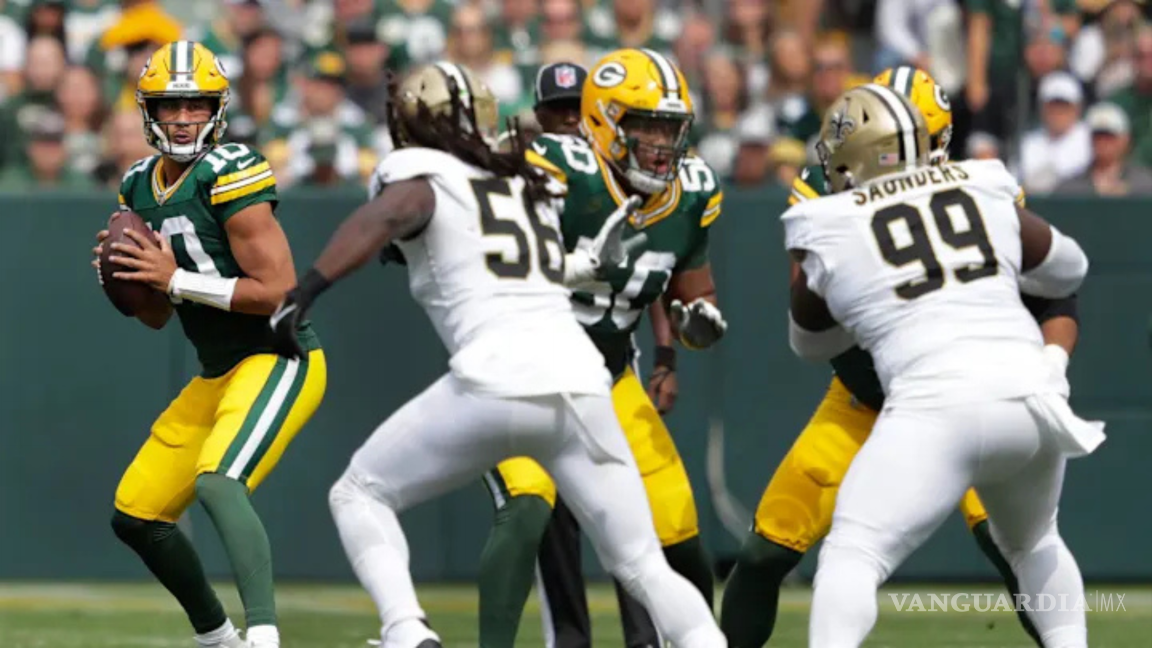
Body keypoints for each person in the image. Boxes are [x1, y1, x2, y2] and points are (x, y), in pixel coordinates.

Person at [266, 60, 726, 648]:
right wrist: (588, 266)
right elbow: (538, 267)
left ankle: (406, 631)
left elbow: (394, 211)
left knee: (360, 492)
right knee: (642, 563)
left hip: (495, 378)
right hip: (582, 382)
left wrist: (305, 291)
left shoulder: (424, 170)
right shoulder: (522, 179)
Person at [719, 66, 1067, 648]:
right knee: (764, 551)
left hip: (960, 392)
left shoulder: (978, 187)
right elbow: (811, 309)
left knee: (1015, 548)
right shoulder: (825, 189)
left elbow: (1044, 287)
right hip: (863, 398)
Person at [478, 49, 727, 648]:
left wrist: (696, 322)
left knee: (678, 530)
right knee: (529, 508)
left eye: (670, 129)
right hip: (527, 374)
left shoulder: (691, 189)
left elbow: (694, 289)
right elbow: (496, 262)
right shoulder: (556, 169)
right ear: (604, 121)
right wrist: (573, 267)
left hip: (610, 377)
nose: (661, 144)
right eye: (647, 127)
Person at [93, 40, 325, 648]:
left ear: (217, 108)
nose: (182, 118)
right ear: (147, 111)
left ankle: (265, 636)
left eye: (195, 104)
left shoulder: (230, 171)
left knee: (219, 481)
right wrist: (132, 281)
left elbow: (281, 293)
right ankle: (219, 639)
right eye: (169, 106)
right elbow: (157, 319)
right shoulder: (138, 185)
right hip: (218, 370)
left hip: (279, 357)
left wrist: (174, 278)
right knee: (137, 514)